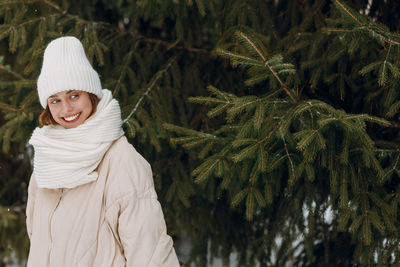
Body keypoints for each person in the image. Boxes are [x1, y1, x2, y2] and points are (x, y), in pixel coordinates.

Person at [26, 36, 180, 267]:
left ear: (90, 94)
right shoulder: (47, 160)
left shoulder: (121, 160)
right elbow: (38, 238)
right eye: (55, 100)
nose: (66, 108)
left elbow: (149, 253)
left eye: (74, 95)